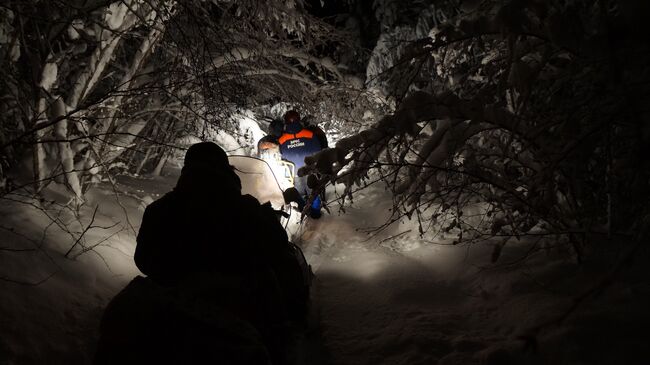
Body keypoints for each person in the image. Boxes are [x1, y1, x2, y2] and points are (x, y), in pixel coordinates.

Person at [125, 142, 305, 364]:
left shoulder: (159, 209)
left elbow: (143, 260)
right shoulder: (246, 208)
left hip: (178, 304)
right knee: (279, 290)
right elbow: (277, 244)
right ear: (224, 169)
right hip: (240, 302)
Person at [277, 110, 328, 219]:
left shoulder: (281, 140)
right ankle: (315, 213)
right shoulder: (310, 134)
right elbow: (318, 150)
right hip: (309, 170)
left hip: (294, 172)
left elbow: (282, 155)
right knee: (313, 192)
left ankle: (304, 212)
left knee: (300, 193)